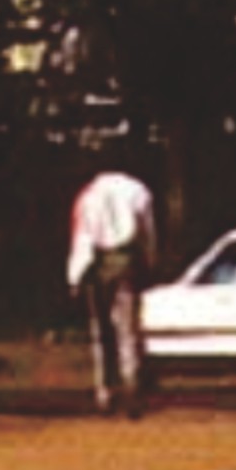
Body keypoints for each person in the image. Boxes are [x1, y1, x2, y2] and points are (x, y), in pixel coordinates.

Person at [67, 164, 157, 414]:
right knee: (127, 327)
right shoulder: (137, 190)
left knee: (101, 331)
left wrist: (74, 277)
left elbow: (82, 238)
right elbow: (148, 231)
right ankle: (131, 385)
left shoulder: (88, 195)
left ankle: (105, 391)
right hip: (126, 261)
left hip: (97, 264)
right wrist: (150, 261)